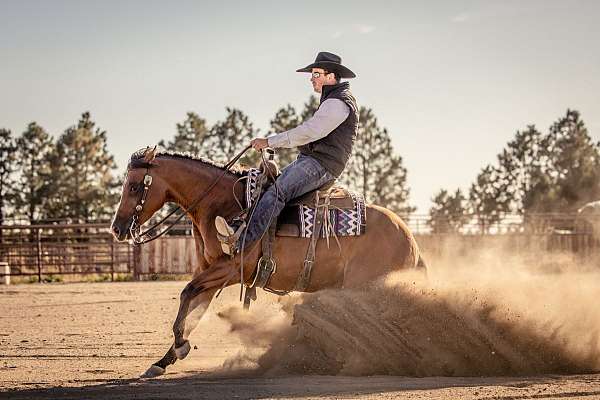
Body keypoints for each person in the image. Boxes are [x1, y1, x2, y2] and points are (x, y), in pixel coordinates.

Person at [215, 51, 359, 255]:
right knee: (269, 186)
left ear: (331, 76)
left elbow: (310, 131)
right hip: (313, 160)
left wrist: (269, 141)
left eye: (316, 74)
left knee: (278, 192)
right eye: (312, 74)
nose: (312, 78)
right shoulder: (332, 100)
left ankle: (241, 244)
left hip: (323, 165)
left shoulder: (338, 102)